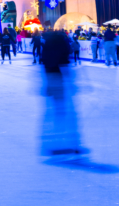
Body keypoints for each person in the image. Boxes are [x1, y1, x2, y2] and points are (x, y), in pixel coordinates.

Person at [40, 30, 86, 160]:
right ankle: (73, 144)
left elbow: (44, 62)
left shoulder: (48, 44)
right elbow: (66, 59)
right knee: (67, 112)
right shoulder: (61, 43)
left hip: (51, 77)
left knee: (53, 112)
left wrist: (46, 84)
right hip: (59, 79)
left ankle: (49, 143)